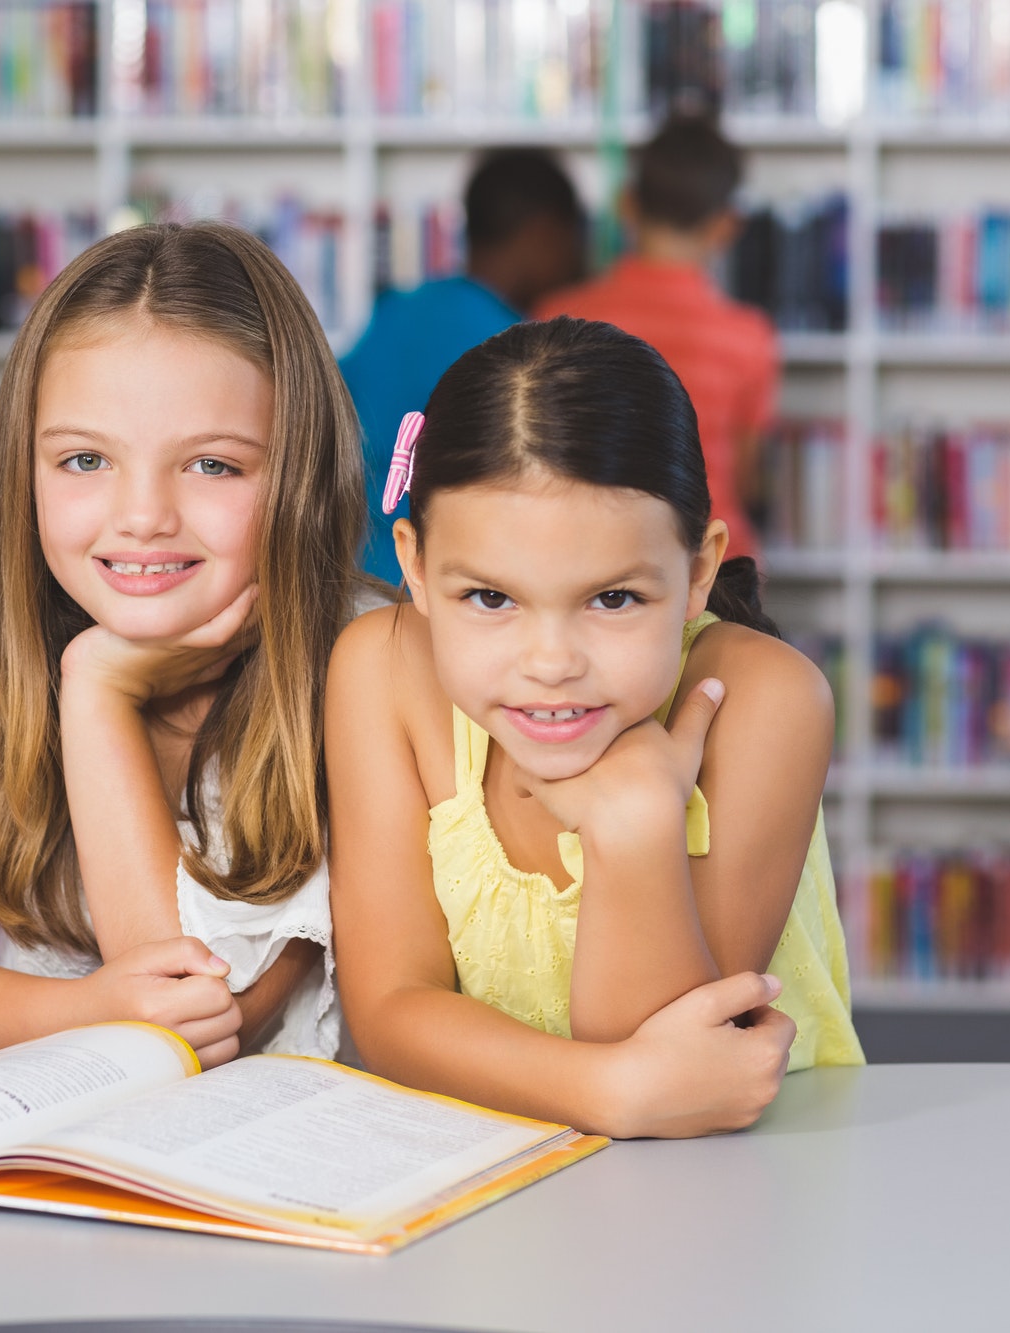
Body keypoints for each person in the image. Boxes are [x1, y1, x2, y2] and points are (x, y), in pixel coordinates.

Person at [0, 222, 386, 1068]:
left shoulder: (357, 670)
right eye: (85, 459)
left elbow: (202, 1019)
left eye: (212, 466)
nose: (141, 516)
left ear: (302, 475)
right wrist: (82, 1011)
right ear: (24, 466)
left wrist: (98, 691)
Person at [327, 317, 863, 1139]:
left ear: (697, 573)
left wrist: (637, 824)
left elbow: (680, 1069)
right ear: (416, 566)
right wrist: (611, 1089)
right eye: (491, 598)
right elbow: (391, 1010)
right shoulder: (379, 669)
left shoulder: (767, 699)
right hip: (494, 1194)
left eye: (612, 599)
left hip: (737, 1191)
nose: (550, 662)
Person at [535, 115, 778, 562]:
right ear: (727, 225)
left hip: (595, 562)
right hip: (716, 563)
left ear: (626, 205)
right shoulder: (749, 338)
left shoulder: (557, 316)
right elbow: (746, 482)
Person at [340, 148, 586, 582]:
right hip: (458, 586)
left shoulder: (394, 312)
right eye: (573, 241)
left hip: (361, 573)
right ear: (545, 233)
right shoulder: (523, 354)